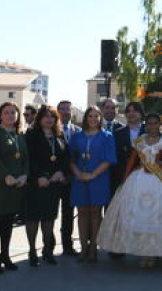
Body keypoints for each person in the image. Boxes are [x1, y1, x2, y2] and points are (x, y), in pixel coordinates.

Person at [99, 112, 162, 267]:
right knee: (139, 216)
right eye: (149, 123)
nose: (152, 126)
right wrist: (124, 181)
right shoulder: (139, 141)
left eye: (155, 123)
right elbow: (131, 162)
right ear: (146, 125)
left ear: (160, 125)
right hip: (139, 180)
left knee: (156, 217)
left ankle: (153, 254)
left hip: (160, 183)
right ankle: (142, 252)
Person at [0, 102, 29, 274]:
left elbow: (25, 158)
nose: (10, 115)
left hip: (17, 184)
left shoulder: (19, 134)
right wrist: (6, 176)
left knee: (9, 221)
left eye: (13, 113)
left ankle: (4, 255)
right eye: (7, 112)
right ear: (0, 115)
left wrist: (24, 174)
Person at [69, 105, 117, 262]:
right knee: (82, 213)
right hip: (79, 178)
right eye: (90, 116)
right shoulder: (77, 136)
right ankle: (83, 248)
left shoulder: (107, 136)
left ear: (100, 118)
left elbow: (109, 160)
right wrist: (78, 173)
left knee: (96, 214)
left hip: (99, 178)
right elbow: (70, 159)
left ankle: (93, 249)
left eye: (96, 116)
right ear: (85, 118)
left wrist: (92, 175)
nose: (93, 119)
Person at [24, 105, 69, 267]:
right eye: (46, 116)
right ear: (39, 119)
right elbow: (29, 159)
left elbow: (65, 158)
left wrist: (61, 172)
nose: (49, 119)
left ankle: (48, 251)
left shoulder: (60, 136)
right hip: (36, 184)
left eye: (52, 116)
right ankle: (32, 251)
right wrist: (38, 177)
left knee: (49, 219)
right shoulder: (31, 135)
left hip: (53, 185)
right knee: (33, 218)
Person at [57, 100, 81, 256]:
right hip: (55, 178)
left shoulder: (78, 131)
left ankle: (67, 246)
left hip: (72, 180)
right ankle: (48, 246)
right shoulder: (52, 130)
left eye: (69, 109)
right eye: (63, 109)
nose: (67, 112)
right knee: (49, 215)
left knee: (68, 214)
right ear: (58, 112)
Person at [110, 101, 143, 195]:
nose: (131, 114)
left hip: (145, 176)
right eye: (128, 111)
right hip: (123, 177)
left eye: (134, 111)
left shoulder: (148, 131)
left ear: (140, 113)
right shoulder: (117, 133)